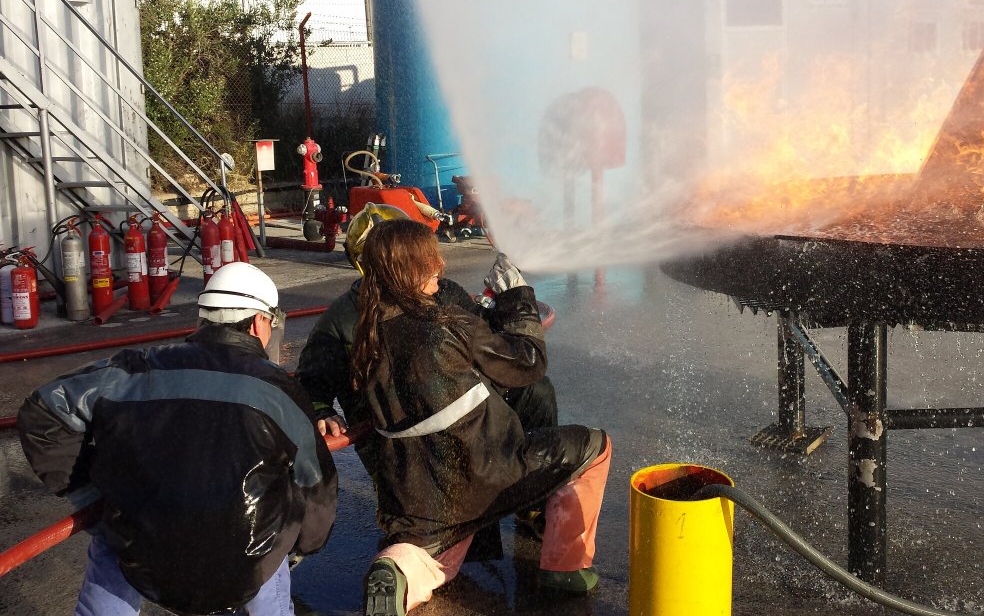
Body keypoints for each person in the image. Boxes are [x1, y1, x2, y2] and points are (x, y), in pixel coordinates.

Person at [17, 262, 338, 616]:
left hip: (142, 553)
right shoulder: (280, 390)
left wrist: (90, 493)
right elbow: (314, 483)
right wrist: (306, 543)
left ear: (203, 318)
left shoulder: (134, 370)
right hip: (245, 564)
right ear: (259, 322)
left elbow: (43, 413)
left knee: (111, 538)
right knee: (275, 524)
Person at [349, 218, 611, 615]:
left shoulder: (366, 337)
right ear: (410, 268)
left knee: (439, 564)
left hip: (415, 497)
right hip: (485, 473)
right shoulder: (448, 325)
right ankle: (565, 567)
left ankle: (397, 570)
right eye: (430, 259)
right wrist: (517, 299)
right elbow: (528, 362)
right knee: (595, 445)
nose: (440, 266)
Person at [297, 202, 559, 548]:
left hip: (462, 419)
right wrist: (320, 410)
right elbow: (310, 379)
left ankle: (532, 501)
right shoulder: (343, 321)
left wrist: (503, 308)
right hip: (401, 441)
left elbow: (492, 349)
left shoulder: (444, 292)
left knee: (535, 391)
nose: (435, 266)